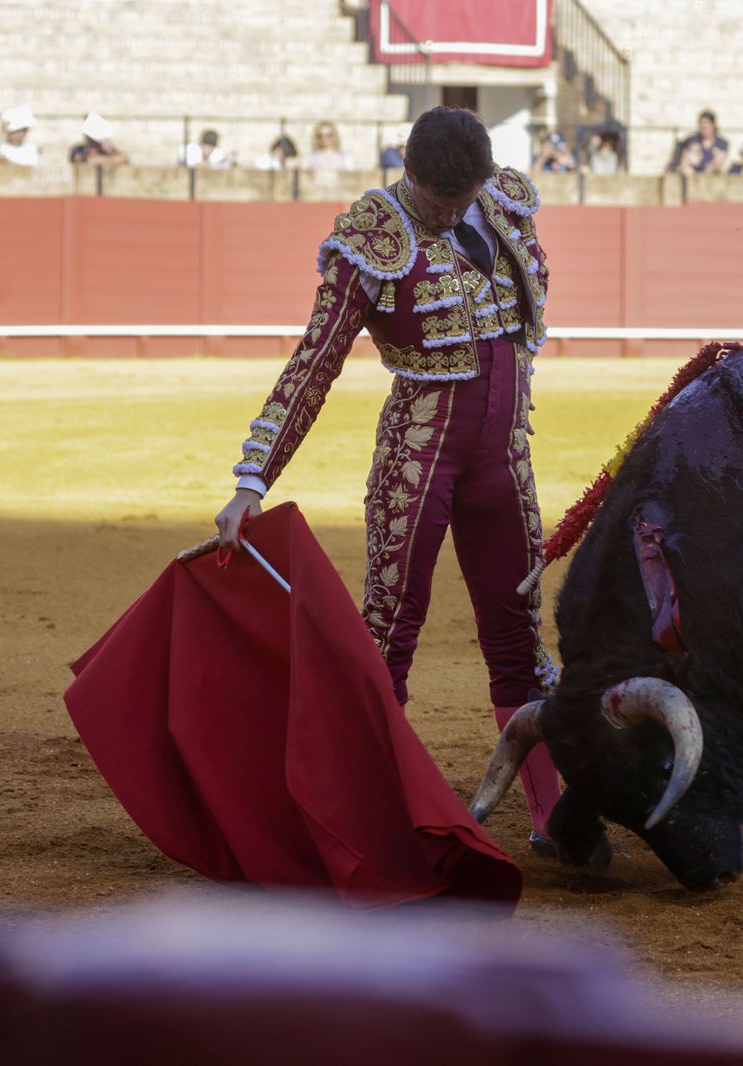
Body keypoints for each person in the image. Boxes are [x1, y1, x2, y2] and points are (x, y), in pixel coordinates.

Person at [212, 107, 561, 854]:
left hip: (505, 458)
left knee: (519, 638)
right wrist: (252, 479)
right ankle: (362, 818)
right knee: (388, 633)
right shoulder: (370, 241)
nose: (454, 212)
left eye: (464, 196)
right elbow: (314, 363)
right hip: (419, 459)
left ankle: (553, 818)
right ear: (409, 172)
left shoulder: (501, 202)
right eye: (440, 202)